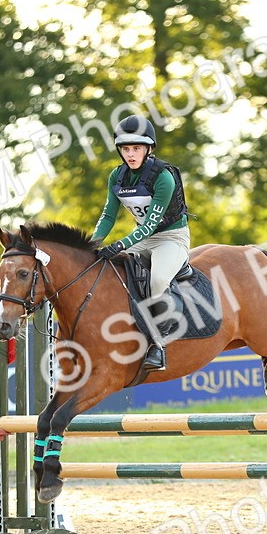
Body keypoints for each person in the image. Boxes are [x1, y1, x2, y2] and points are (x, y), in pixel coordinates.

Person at [92, 115, 191, 372]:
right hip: (141, 238)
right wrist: (92, 244)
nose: (131, 154)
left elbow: (151, 225)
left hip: (171, 238)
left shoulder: (164, 177)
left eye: (136, 148)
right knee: (104, 268)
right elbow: (108, 216)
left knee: (157, 280)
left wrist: (119, 245)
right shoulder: (117, 176)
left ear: (148, 149)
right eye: (126, 149)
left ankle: (159, 345)